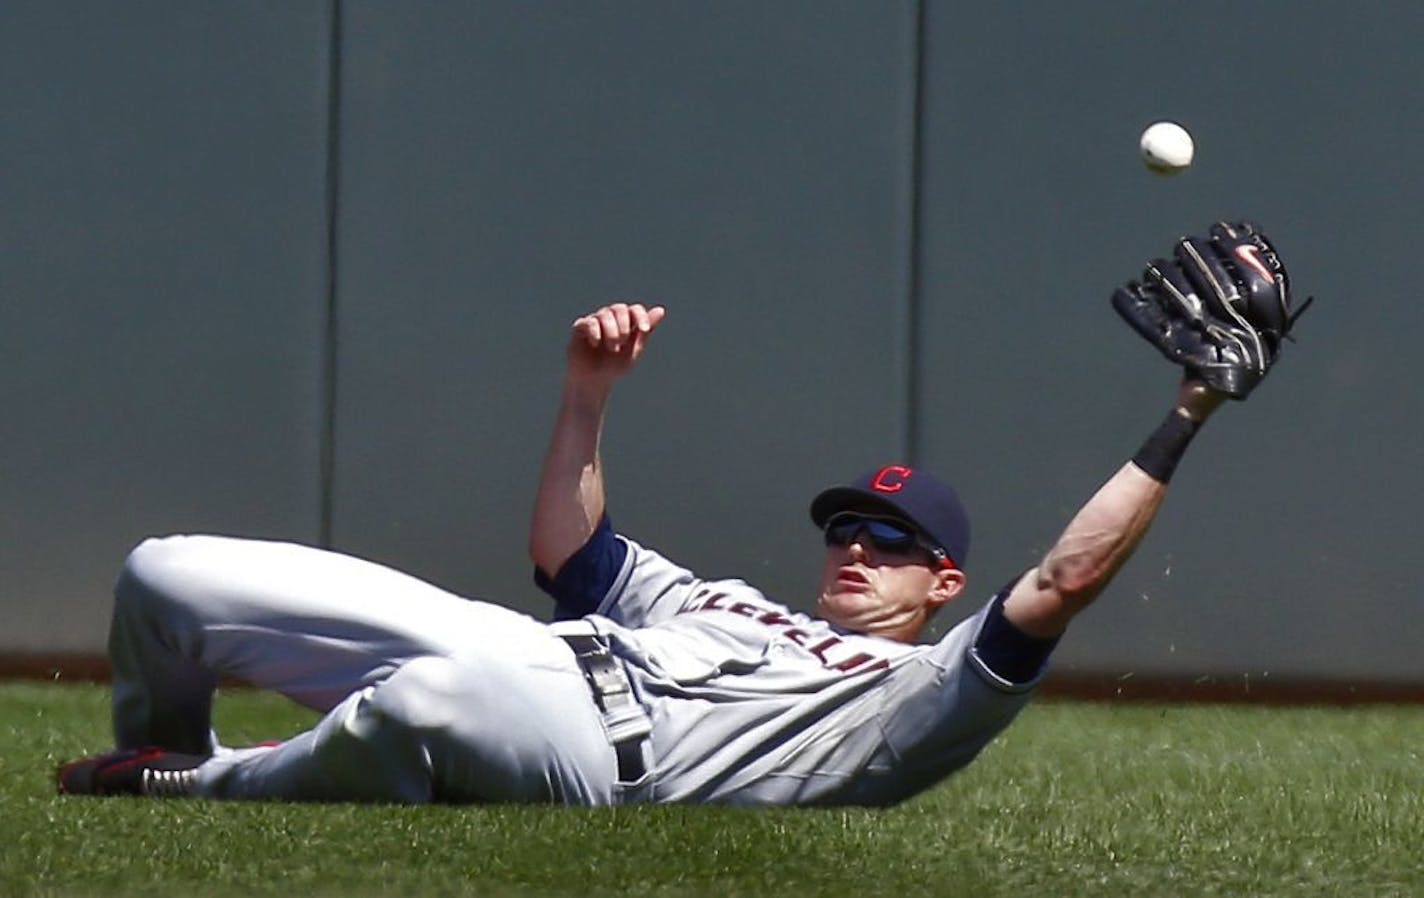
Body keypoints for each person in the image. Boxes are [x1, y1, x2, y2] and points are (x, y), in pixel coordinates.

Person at [57, 222, 1299, 805]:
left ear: (943, 590)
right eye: (848, 528)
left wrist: (1187, 411)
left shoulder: (917, 706)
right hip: (527, 655)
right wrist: (585, 400)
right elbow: (568, 553)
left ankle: (193, 786)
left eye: (896, 543)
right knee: (169, 575)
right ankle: (164, 739)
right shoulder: (728, 604)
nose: (858, 547)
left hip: (587, 752)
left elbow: (1063, 585)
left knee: (425, 705)